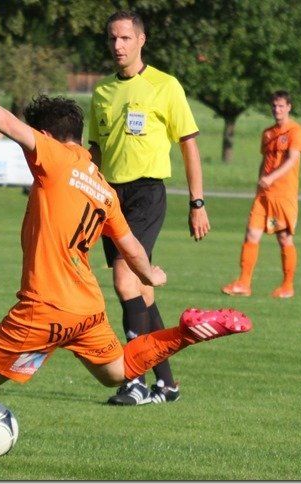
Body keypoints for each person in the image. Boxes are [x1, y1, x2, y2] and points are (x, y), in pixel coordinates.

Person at [0, 62, 252, 460]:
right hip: (86, 308)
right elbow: (131, 247)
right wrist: (152, 275)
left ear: (47, 136)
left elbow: (4, 122)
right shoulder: (103, 187)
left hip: (43, 307)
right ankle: (185, 333)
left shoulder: (55, 158)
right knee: (117, 371)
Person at [88, 10, 210, 406]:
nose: (118, 45)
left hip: (146, 193)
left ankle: (134, 380)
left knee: (124, 281)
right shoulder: (102, 91)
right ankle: (167, 384)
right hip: (110, 198)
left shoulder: (165, 86)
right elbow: (95, 152)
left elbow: (189, 146)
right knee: (142, 290)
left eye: (125, 38)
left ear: (141, 40)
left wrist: (197, 202)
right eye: (112, 38)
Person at [221, 91, 301, 299]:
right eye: (274, 106)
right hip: (263, 195)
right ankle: (244, 283)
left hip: (283, 194)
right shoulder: (267, 133)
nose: (277, 109)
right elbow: (265, 161)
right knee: (251, 234)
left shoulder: (296, 131)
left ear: (289, 107)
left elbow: (292, 159)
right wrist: (260, 181)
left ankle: (287, 286)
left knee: (284, 238)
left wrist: (272, 178)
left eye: (281, 106)